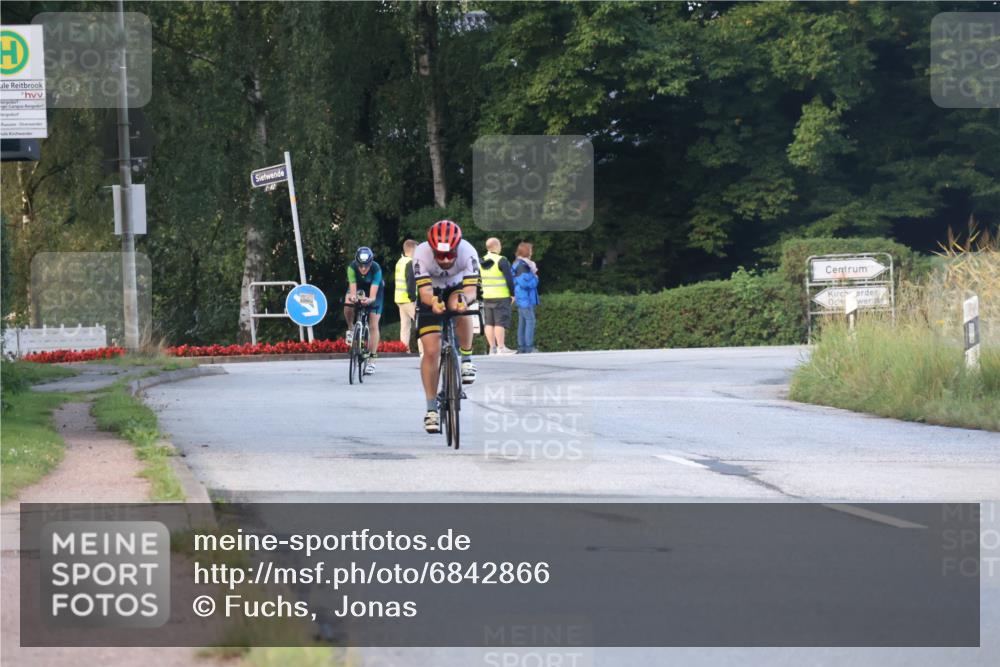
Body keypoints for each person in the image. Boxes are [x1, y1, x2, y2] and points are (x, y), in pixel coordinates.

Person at [413, 220, 480, 433]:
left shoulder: (468, 252)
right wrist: (432, 302)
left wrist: (464, 301)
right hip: (430, 292)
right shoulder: (421, 254)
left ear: (456, 248)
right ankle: (431, 409)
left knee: (459, 305)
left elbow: (471, 290)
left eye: (449, 255)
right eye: (439, 255)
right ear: (431, 249)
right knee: (431, 351)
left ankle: (467, 358)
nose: (444, 260)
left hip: (456, 287)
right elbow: (424, 293)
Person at [344, 246, 384, 375]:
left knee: (373, 324)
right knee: (348, 301)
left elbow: (373, 294)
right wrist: (354, 298)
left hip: (375, 290)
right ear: (356, 262)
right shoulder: (351, 268)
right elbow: (353, 288)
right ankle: (351, 328)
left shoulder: (376, 269)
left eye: (366, 266)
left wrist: (370, 300)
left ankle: (372, 360)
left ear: (371, 263)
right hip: (359, 287)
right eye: (360, 265)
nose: (363, 268)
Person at [480, 237, 516, 355]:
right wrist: (512, 294)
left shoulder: (481, 261)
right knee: (500, 322)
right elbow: (509, 279)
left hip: (487, 296)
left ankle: (492, 348)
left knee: (489, 323)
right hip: (501, 296)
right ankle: (501, 347)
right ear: (496, 246)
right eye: (500, 245)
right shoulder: (501, 260)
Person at [393, 239, 422, 355]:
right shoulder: (411, 262)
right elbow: (411, 282)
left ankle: (404, 350)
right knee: (421, 323)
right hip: (409, 299)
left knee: (405, 327)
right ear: (413, 249)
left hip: (399, 299)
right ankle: (423, 352)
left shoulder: (400, 261)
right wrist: (414, 298)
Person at [512, 242, 539, 354]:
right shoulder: (523, 265)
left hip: (521, 296)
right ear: (527, 251)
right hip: (525, 298)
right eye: (531, 250)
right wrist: (536, 278)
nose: (532, 252)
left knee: (523, 322)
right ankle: (528, 347)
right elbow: (525, 283)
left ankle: (521, 346)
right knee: (530, 321)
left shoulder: (517, 263)